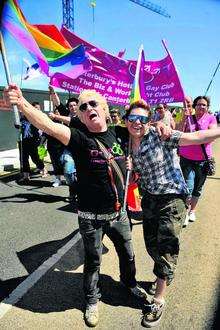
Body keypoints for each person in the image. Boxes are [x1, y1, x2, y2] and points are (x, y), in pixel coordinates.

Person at [4, 85, 149, 328]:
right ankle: (92, 300)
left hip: (119, 214)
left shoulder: (120, 135)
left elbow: (142, 128)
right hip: (91, 218)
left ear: (104, 109)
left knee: (128, 254)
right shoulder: (79, 138)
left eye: (93, 104)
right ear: (80, 116)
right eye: (83, 107)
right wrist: (23, 104)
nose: (89, 108)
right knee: (93, 262)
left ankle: (129, 283)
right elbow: (48, 125)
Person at [124, 99, 220, 328]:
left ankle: (158, 298)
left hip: (173, 198)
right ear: (126, 120)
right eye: (133, 118)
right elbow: (137, 175)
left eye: (142, 119)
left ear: (149, 121)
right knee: (151, 245)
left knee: (167, 246)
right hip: (149, 199)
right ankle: (164, 272)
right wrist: (130, 168)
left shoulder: (161, 135)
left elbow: (197, 138)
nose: (137, 123)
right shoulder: (126, 143)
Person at [179, 96, 217, 226]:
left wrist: (198, 133)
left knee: (197, 189)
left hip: (203, 160)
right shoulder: (188, 118)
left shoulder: (211, 118)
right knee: (188, 188)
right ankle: (184, 212)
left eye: (204, 105)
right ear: (194, 106)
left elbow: (211, 136)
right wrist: (184, 118)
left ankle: (192, 211)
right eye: (199, 104)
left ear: (207, 107)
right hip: (186, 159)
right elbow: (178, 133)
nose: (201, 107)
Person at [17, 101, 47, 183]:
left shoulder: (35, 118)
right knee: (24, 159)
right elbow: (19, 127)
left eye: (38, 108)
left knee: (36, 157)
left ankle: (43, 169)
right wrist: (17, 124)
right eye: (36, 108)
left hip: (35, 140)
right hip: (23, 141)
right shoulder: (22, 118)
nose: (37, 109)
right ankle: (26, 175)